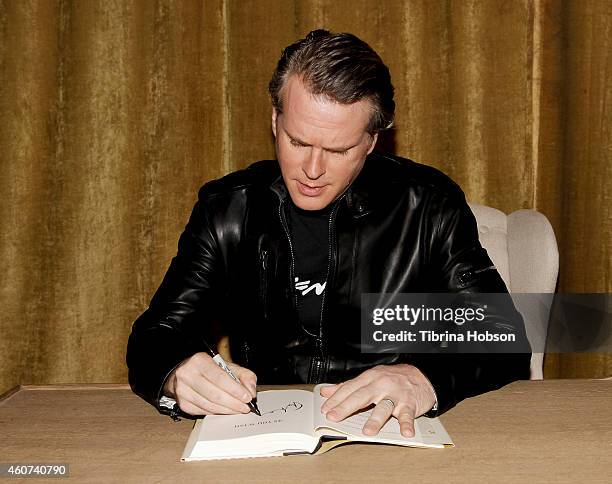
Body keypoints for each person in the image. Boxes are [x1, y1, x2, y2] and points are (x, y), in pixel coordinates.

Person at [126, 29, 530, 438]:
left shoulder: (427, 205)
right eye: (297, 141)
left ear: (372, 141)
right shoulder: (228, 209)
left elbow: (503, 340)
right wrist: (177, 372)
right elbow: (156, 334)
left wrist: (423, 377)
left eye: (338, 150)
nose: (313, 170)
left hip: (394, 434)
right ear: (274, 119)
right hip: (269, 435)